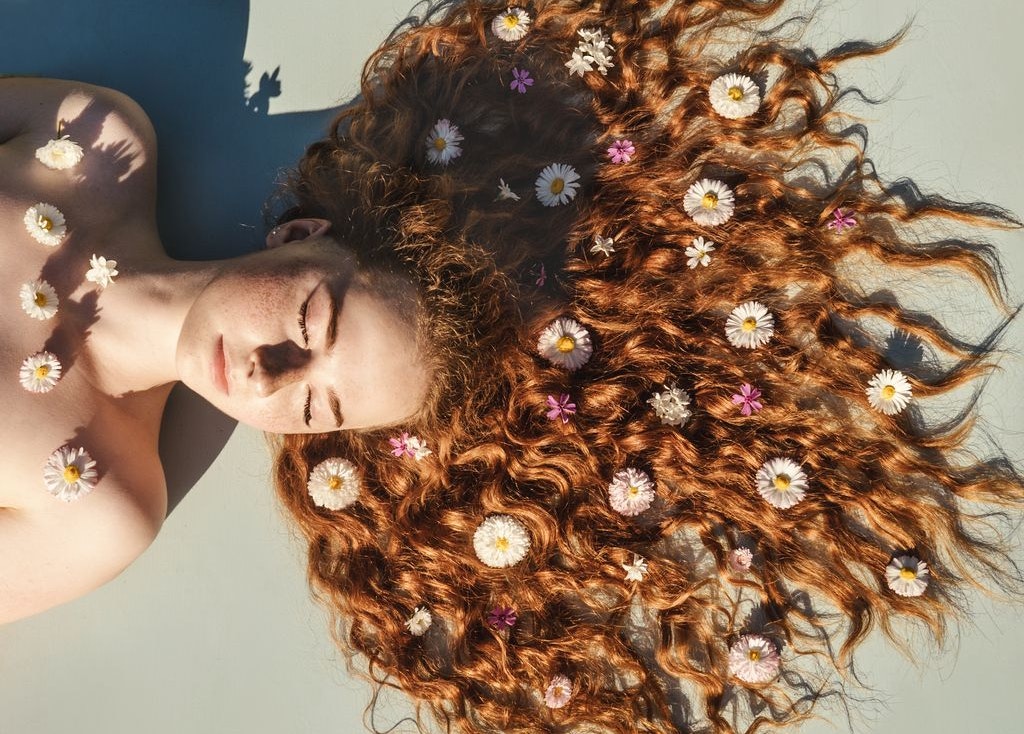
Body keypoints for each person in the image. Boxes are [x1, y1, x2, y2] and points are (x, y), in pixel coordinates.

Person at [2, 1, 1021, 733]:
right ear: (305, 236)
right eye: (310, 319)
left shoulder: (105, 506)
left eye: (312, 406)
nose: (266, 375)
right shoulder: (92, 144)